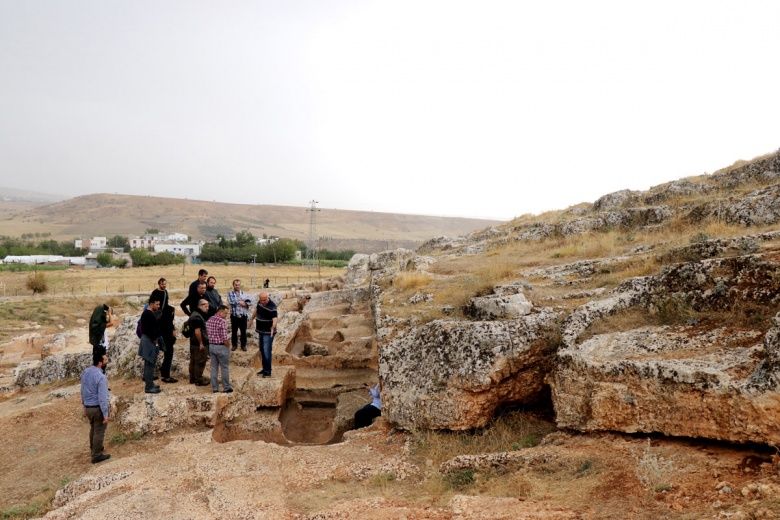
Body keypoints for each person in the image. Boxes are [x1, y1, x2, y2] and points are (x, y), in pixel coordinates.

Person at [80, 352, 111, 463]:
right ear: (100, 363)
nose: (107, 362)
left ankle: (94, 448)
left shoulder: (86, 372)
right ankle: (96, 455)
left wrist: (84, 406)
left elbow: (82, 390)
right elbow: (102, 398)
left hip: (88, 407)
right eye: (105, 361)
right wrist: (106, 415)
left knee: (93, 428)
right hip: (97, 408)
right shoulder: (101, 377)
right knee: (99, 431)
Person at [151, 277, 177, 383]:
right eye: (162, 284)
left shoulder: (165, 292)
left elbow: (165, 305)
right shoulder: (155, 293)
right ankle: (165, 375)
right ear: (159, 284)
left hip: (164, 323)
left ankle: (163, 371)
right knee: (168, 351)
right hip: (162, 329)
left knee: (168, 350)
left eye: (165, 284)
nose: (164, 286)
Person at [137, 295, 162, 394]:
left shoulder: (149, 313)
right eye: (157, 304)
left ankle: (150, 384)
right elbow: (149, 330)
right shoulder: (148, 314)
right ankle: (148, 387)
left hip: (148, 340)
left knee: (150, 364)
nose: (158, 306)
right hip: (149, 341)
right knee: (149, 365)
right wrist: (155, 339)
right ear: (151, 304)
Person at [249, 291, 277, 378]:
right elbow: (256, 310)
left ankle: (268, 372)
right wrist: (251, 320)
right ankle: (265, 369)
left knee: (266, 351)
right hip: (261, 330)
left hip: (268, 332)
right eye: (261, 300)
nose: (263, 302)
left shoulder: (272, 306)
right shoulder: (260, 302)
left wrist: (273, 326)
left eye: (265, 300)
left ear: (268, 298)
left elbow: (275, 318)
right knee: (262, 350)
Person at [206, 304, 233, 393]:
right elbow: (225, 338)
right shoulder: (222, 321)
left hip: (211, 346)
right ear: (220, 312)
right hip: (221, 346)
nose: (226, 315)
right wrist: (228, 346)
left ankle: (215, 388)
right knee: (224, 368)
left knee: (214, 368)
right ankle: (226, 387)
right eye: (225, 313)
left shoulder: (210, 319)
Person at [186, 299, 211, 386]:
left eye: (208, 306)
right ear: (200, 306)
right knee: (200, 361)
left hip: (193, 343)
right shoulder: (197, 317)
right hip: (198, 343)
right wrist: (201, 343)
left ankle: (192, 378)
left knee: (193, 360)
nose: (207, 308)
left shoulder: (195, 314)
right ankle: (199, 380)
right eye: (205, 306)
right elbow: (197, 331)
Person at [227, 278, 251, 351]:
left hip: (243, 315)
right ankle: (234, 345)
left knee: (243, 331)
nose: (237, 286)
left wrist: (245, 303)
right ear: (233, 285)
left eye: (238, 285)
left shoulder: (244, 293)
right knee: (234, 331)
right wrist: (242, 302)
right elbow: (231, 302)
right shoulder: (230, 293)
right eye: (236, 285)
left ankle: (243, 345)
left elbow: (249, 302)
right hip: (234, 316)